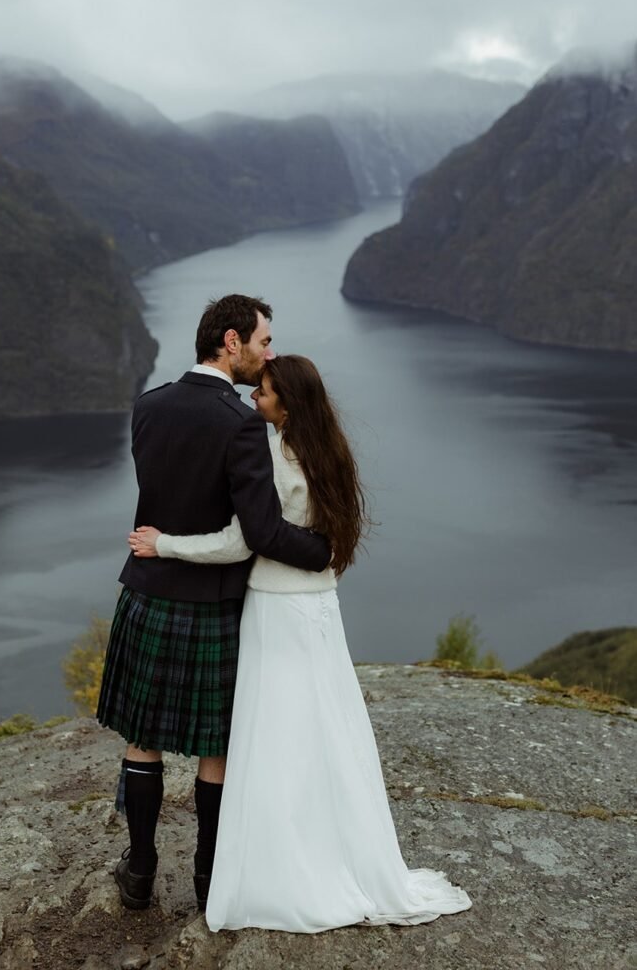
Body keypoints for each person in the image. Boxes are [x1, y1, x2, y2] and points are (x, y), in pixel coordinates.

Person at [129, 354, 472, 932]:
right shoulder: (327, 450)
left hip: (275, 607)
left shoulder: (271, 449)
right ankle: (329, 854)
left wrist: (165, 544)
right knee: (325, 730)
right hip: (318, 607)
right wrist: (318, 556)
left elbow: (244, 541)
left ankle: (276, 869)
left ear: (285, 402)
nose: (254, 399)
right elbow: (325, 537)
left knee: (275, 739)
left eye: (262, 392)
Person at [96, 297, 331, 913]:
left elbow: (162, 492)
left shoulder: (147, 406)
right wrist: (320, 552)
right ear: (232, 341)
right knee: (215, 747)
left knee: (141, 738)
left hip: (146, 595)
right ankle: (207, 880)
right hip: (210, 606)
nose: (268, 354)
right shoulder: (243, 422)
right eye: (263, 342)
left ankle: (140, 873)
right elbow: (255, 531)